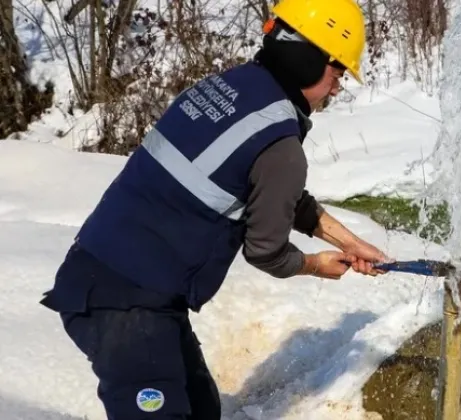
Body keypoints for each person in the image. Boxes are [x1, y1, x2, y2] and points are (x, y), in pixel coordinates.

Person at [39, 0, 390, 418]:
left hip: (105, 278)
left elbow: (274, 193)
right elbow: (266, 251)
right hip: (127, 307)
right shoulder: (281, 146)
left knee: (202, 408)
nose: (336, 88)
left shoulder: (230, 87)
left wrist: (351, 242)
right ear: (308, 59)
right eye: (336, 73)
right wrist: (316, 265)